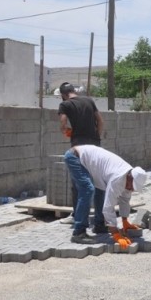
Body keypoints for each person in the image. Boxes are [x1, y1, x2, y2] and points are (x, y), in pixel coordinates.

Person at [64, 145, 148, 247]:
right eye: (132, 187)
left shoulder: (129, 179)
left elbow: (125, 200)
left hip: (93, 165)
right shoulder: (118, 178)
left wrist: (125, 221)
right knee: (88, 189)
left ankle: (100, 225)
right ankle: (78, 232)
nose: (131, 189)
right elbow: (108, 207)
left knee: (101, 191)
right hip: (75, 157)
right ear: (130, 177)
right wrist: (115, 233)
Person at [57, 82, 105, 227]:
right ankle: (99, 219)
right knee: (98, 181)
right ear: (73, 90)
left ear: (63, 95)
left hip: (78, 146)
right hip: (94, 144)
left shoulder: (65, 104)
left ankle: (77, 216)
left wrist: (66, 132)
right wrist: (97, 136)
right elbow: (100, 121)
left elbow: (63, 123)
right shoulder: (89, 101)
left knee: (78, 182)